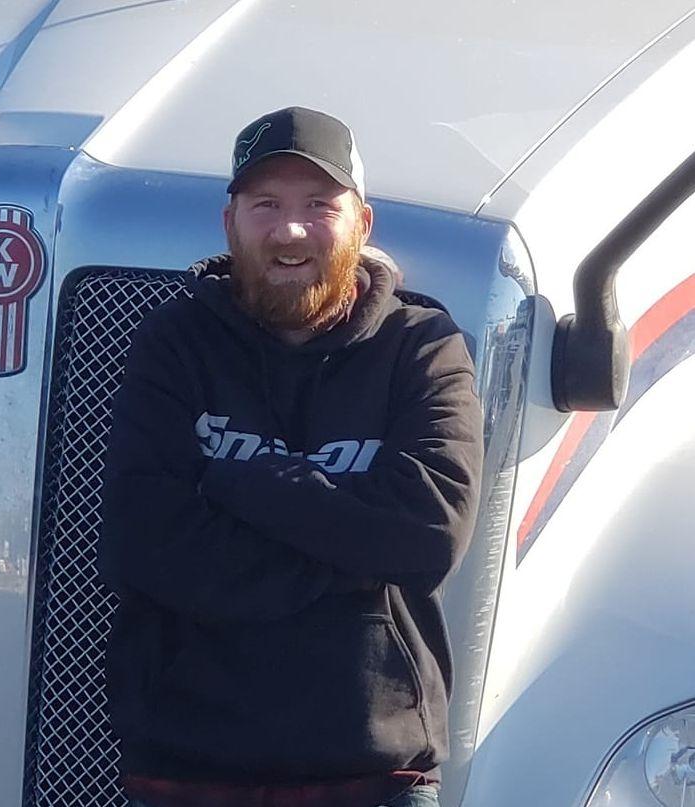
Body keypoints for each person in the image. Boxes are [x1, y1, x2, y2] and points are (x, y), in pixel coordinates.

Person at [98, 106, 484, 807]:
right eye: (266, 205)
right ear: (230, 224)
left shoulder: (423, 347)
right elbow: (139, 543)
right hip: (188, 772)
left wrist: (238, 482)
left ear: (361, 224)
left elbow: (429, 534)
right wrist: (352, 553)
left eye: (318, 205)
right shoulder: (174, 343)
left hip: (376, 775)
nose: (290, 230)